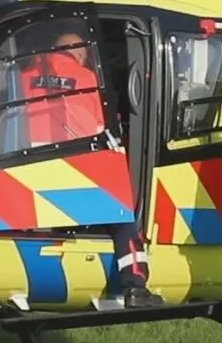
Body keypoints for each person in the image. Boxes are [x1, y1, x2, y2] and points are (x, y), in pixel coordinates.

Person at [20, 24, 162, 310]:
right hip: (73, 173)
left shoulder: (23, 77)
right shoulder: (87, 79)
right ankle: (135, 285)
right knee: (122, 216)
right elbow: (100, 131)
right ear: (81, 55)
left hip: (24, 174)